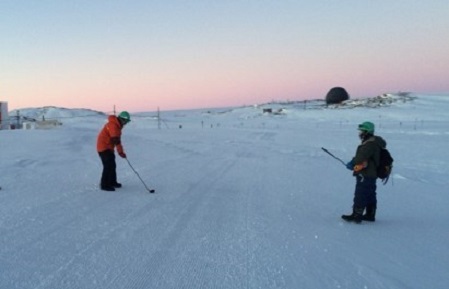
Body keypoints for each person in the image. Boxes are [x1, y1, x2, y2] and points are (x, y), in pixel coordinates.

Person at [342, 121, 386, 223]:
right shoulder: (374, 142)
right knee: (370, 194)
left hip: (365, 174)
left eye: (362, 131)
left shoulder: (369, 144)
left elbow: (360, 158)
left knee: (361, 194)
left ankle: (356, 215)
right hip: (372, 174)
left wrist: (353, 162)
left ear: (366, 131)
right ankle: (370, 214)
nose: (360, 133)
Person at [96, 111, 131, 191]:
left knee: (112, 165)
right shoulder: (113, 125)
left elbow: (117, 140)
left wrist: (120, 152)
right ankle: (104, 185)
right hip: (103, 147)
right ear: (122, 119)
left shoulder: (117, 125)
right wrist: (120, 152)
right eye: (126, 121)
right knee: (108, 166)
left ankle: (112, 182)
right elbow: (116, 140)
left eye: (127, 122)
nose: (126, 123)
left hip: (108, 147)